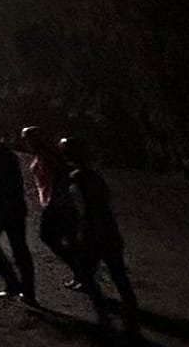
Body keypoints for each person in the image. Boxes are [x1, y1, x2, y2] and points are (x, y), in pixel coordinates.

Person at [61, 138, 139, 334]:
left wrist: (80, 231)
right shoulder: (95, 176)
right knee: (117, 272)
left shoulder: (77, 177)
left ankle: (103, 314)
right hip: (108, 230)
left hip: (94, 233)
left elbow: (83, 208)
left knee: (86, 272)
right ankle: (131, 312)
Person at [0, 119, 36, 303]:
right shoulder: (10, 155)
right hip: (15, 206)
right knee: (20, 248)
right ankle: (28, 291)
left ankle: (12, 281)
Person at [22, 126, 80, 285]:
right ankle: (81, 273)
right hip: (58, 202)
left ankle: (81, 270)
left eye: (27, 138)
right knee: (69, 239)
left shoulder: (46, 156)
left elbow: (57, 178)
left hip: (56, 203)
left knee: (49, 237)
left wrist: (53, 200)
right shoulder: (46, 154)